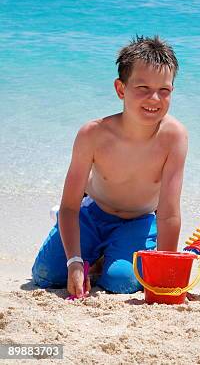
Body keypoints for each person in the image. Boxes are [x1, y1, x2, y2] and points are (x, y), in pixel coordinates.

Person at [32, 35, 188, 297]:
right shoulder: (93, 134)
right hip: (92, 213)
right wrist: (73, 263)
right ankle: (85, 248)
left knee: (121, 283)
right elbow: (70, 206)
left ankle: (106, 257)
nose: (154, 98)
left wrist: (166, 270)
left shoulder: (174, 137)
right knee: (46, 276)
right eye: (143, 88)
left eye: (165, 90)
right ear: (120, 89)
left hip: (140, 220)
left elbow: (169, 212)